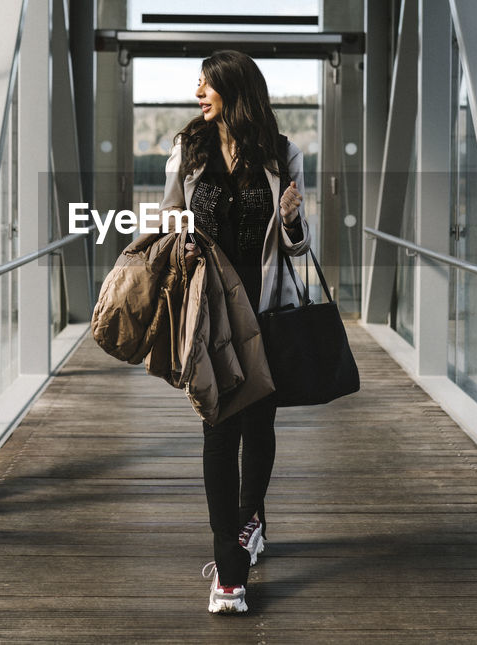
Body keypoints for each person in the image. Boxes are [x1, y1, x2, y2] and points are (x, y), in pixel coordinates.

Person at [160, 49, 311, 614]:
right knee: (218, 431)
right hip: (213, 315)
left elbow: (298, 248)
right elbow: (168, 218)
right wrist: (184, 241)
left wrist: (293, 219)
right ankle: (230, 568)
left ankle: (250, 519)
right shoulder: (188, 148)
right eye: (197, 85)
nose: (198, 93)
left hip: (266, 310)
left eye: (206, 84)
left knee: (259, 425)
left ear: (233, 88)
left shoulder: (282, 153)